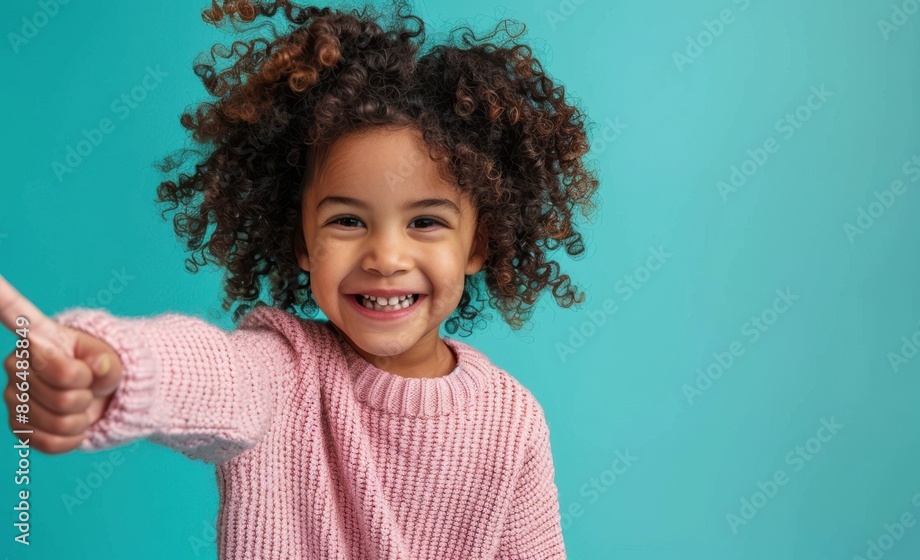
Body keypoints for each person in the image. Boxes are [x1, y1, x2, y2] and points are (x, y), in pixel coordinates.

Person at [2, 0, 599, 557]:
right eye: (346, 220)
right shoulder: (284, 371)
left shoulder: (513, 422)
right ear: (302, 243)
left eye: (424, 221)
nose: (386, 256)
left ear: (480, 244)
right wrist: (112, 365)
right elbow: (215, 373)